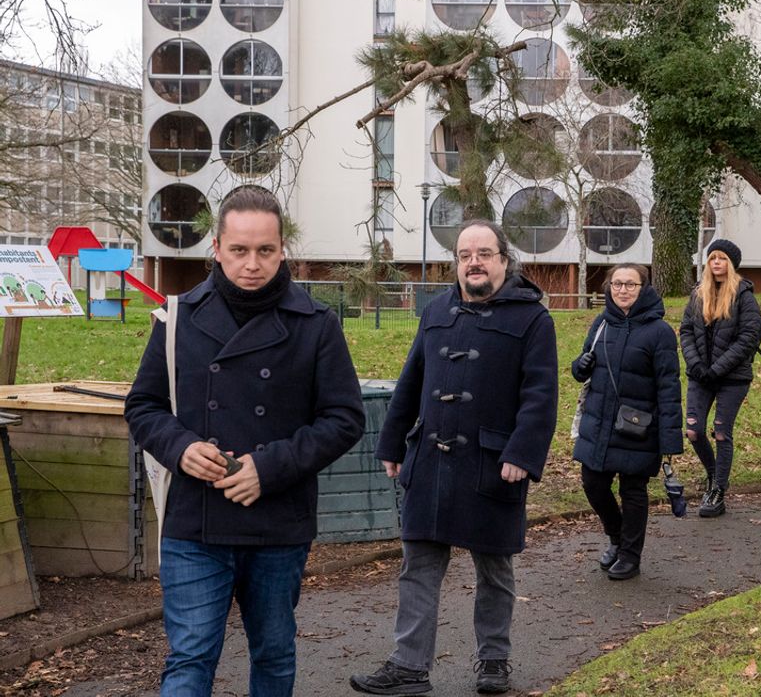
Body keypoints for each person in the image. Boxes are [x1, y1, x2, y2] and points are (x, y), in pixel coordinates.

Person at [125, 186, 365, 697]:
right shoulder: (178, 318)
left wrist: (269, 467)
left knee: (274, 656)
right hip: (195, 522)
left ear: (282, 250)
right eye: (239, 250)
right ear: (216, 247)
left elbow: (345, 419)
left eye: (265, 251)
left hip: (277, 525)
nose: (252, 264)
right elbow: (142, 407)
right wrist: (181, 448)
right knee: (189, 659)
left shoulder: (316, 324)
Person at [350, 221, 558, 696]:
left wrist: (522, 452)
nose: (474, 262)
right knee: (417, 564)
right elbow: (411, 380)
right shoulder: (437, 310)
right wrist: (392, 443)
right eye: (465, 255)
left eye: (484, 253)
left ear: (505, 260)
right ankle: (408, 666)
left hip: (493, 464)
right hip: (431, 458)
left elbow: (541, 395)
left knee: (495, 569)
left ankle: (494, 661)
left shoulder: (532, 319)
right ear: (457, 262)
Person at [571, 264, 682, 580]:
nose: (622, 290)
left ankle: (630, 555)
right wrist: (581, 364)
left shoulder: (659, 332)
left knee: (633, 490)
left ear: (643, 288)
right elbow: (581, 370)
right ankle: (617, 537)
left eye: (630, 285)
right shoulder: (602, 323)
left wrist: (669, 441)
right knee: (593, 483)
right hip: (599, 420)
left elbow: (669, 387)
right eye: (617, 284)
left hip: (638, 426)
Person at [679, 239, 761, 518]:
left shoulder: (744, 295)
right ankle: (713, 473)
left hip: (732, 377)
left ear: (732, 264)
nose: (717, 263)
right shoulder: (698, 294)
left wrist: (718, 368)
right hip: (700, 375)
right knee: (694, 430)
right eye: (713, 258)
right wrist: (696, 364)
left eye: (722, 258)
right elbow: (686, 331)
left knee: (721, 431)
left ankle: (718, 491)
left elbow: (748, 338)